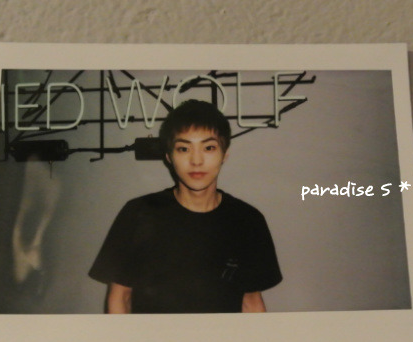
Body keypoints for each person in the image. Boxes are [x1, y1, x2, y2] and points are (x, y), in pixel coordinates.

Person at [89, 99, 282, 313]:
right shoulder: (139, 213)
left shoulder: (248, 220)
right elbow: (120, 297)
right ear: (169, 157)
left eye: (209, 148)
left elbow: (251, 301)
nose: (196, 160)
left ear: (224, 154)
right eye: (183, 148)